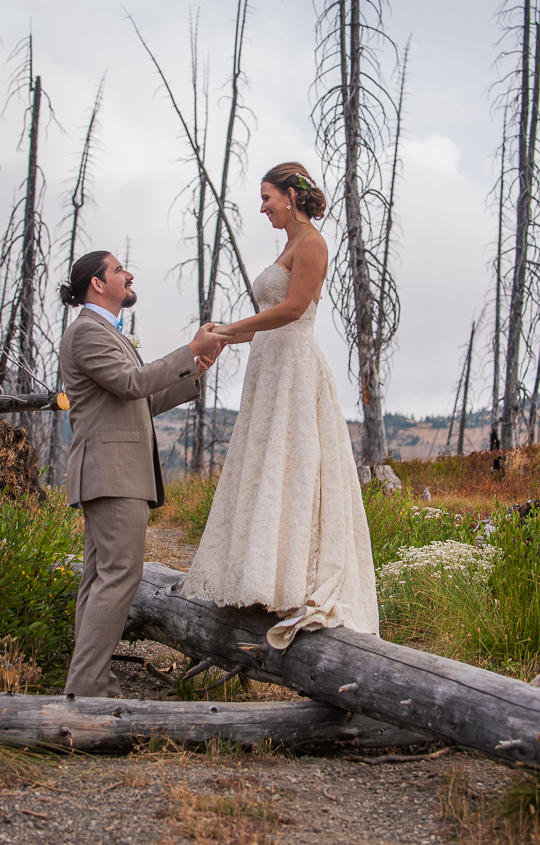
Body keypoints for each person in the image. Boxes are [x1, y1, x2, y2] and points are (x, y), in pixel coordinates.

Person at [181, 163, 379, 649]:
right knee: (265, 462)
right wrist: (222, 339)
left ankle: (292, 581)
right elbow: (268, 321)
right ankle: (258, 574)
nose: (262, 207)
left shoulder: (312, 243)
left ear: (291, 195)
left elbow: (292, 310)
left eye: (267, 197)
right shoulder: (289, 245)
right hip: (269, 367)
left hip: (293, 368)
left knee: (292, 462)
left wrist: (228, 329)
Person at [59, 251, 224, 697]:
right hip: (111, 473)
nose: (128, 275)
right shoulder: (86, 332)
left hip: (114, 473)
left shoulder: (108, 334)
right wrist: (189, 349)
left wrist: (193, 371)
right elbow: (131, 384)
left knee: (101, 578)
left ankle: (88, 681)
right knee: (119, 576)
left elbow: (141, 401)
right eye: (118, 270)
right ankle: (88, 685)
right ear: (97, 284)